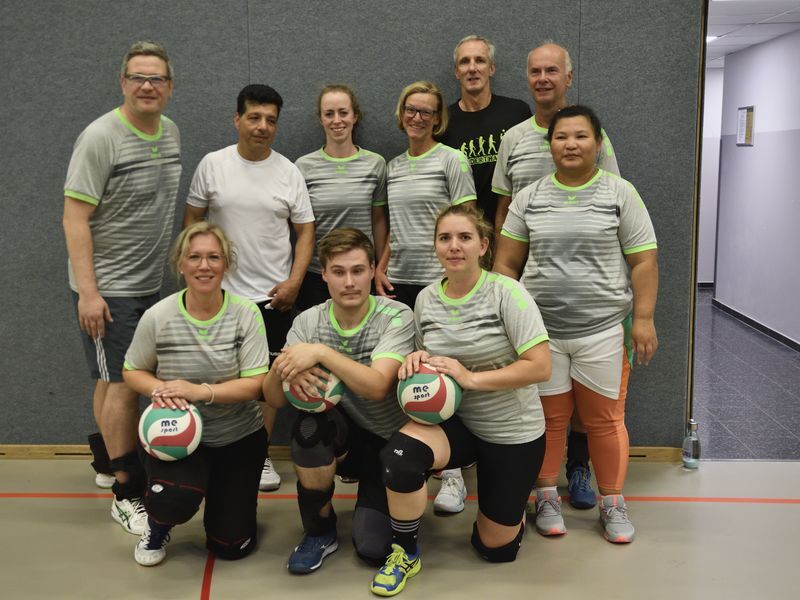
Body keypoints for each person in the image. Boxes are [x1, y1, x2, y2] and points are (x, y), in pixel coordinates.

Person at [495, 105, 658, 543]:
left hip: (603, 329)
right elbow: (506, 265)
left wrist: (643, 318)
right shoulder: (529, 197)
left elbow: (644, 261)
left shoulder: (621, 193)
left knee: (605, 420)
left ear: (598, 144)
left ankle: (613, 502)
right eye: (561, 137)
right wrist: (512, 321)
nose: (570, 144)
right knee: (549, 421)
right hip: (541, 334)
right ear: (550, 146)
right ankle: (546, 496)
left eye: (581, 136)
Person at [371, 204, 551, 597]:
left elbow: (540, 366)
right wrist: (416, 360)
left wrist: (471, 378)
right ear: (435, 246)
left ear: (483, 245)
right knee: (398, 459)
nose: (454, 246)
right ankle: (405, 552)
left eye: (464, 237)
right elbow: (430, 360)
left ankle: (511, 513)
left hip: (510, 430)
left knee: (494, 549)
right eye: (445, 238)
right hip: (456, 424)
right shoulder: (426, 299)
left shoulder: (507, 293)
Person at [492, 41, 621, 508]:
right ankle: (541, 482)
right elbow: (503, 209)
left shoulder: (593, 136)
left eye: (552, 71)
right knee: (544, 395)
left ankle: (579, 467)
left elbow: (613, 202)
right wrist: (501, 283)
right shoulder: (513, 138)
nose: (543, 79)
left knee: (589, 400)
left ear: (568, 77)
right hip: (532, 287)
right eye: (535, 71)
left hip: (588, 292)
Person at [62, 40, 181, 534]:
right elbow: (74, 217)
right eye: (138, 77)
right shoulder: (100, 137)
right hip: (109, 288)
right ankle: (127, 492)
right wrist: (90, 294)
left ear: (169, 87)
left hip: (149, 282)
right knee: (122, 384)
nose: (147, 86)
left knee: (109, 376)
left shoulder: (170, 132)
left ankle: (107, 462)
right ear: (122, 82)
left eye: (156, 78)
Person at [184, 84, 315, 492]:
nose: (262, 126)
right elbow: (192, 222)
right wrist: (200, 276)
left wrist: (294, 282)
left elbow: (305, 231)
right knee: (219, 377)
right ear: (237, 119)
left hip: (272, 299)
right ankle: (212, 452)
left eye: (271, 120)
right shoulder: (212, 165)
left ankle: (258, 457)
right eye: (254, 117)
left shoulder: (288, 171)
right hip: (220, 298)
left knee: (265, 385)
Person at [262, 228, 414, 573]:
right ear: (325, 275)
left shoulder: (396, 315)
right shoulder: (308, 321)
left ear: (373, 270)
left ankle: (376, 502)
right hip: (342, 437)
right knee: (309, 428)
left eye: (358, 270)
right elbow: (274, 399)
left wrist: (321, 353)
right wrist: (281, 369)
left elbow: (377, 386)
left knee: (373, 548)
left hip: (389, 442)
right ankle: (319, 530)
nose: (349, 282)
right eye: (339, 272)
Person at [123, 222, 269, 566]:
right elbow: (132, 371)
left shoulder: (246, 314)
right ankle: (158, 525)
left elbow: (255, 384)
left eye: (214, 257)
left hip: (238, 437)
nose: (205, 266)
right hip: (177, 436)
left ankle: (226, 502)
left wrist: (198, 391)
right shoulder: (158, 316)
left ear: (226, 264)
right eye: (195, 257)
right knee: (172, 500)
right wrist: (160, 389)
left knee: (231, 546)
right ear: (181, 264)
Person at [434, 34, 532, 514]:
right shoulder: (444, 121)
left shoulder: (516, 113)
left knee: (514, 352)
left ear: (492, 68)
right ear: (456, 71)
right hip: (460, 252)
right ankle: (455, 466)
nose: (472, 68)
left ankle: (517, 462)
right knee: (451, 352)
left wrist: (498, 254)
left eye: (480, 61)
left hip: (507, 249)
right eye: (464, 62)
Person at [376, 81, 476, 309]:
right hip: (397, 280)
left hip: (439, 278)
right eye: (411, 110)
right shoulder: (393, 167)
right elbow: (397, 226)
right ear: (402, 113)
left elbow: (468, 221)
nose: (417, 118)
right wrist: (381, 268)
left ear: (437, 118)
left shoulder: (452, 160)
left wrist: (459, 271)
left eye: (426, 112)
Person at [294, 84, 388, 311]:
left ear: (355, 116)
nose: (337, 120)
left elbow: (378, 220)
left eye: (343, 112)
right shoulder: (303, 167)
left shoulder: (375, 164)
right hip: (318, 273)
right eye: (329, 114)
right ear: (321, 119)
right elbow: (301, 228)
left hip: (360, 272)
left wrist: (379, 268)